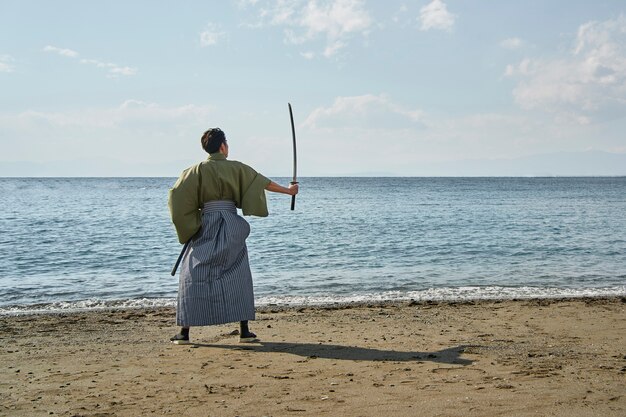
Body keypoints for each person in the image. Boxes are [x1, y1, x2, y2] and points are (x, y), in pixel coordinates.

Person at [168, 128, 298, 344]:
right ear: (223, 146)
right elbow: (261, 182)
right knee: (238, 272)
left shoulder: (194, 170)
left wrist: (192, 223)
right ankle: (244, 331)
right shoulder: (237, 167)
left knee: (192, 273)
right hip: (230, 223)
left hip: (206, 223)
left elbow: (176, 196)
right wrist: (289, 191)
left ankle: (184, 332)